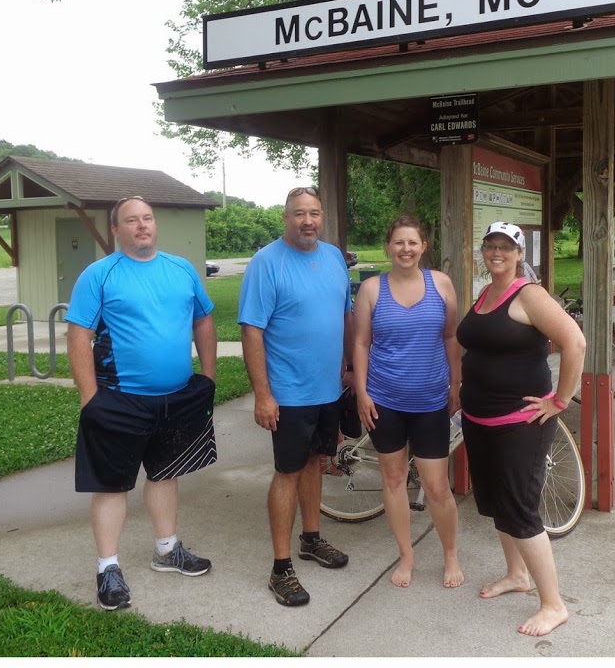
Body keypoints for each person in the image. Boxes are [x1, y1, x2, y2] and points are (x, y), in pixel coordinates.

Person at [67, 196, 218, 611]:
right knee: (112, 484)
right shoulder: (99, 274)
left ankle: (167, 551)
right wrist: (88, 396)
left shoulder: (181, 269)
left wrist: (208, 375)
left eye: (147, 218)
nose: (142, 226)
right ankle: (108, 568)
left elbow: (203, 318)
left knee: (166, 474)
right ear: (116, 230)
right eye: (131, 221)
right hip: (118, 399)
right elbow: (78, 334)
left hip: (176, 397)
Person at [458, 222, 584, 637]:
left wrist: (560, 400)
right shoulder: (486, 292)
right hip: (479, 418)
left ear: (519, 253)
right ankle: (516, 575)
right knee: (496, 503)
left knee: (520, 509)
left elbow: (575, 343)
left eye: (505, 247)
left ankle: (554, 605)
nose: (497, 253)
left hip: (519, 424)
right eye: (490, 246)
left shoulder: (529, 294)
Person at [239, 186, 354, 607]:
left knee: (315, 462)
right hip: (287, 392)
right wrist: (262, 394)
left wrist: (349, 368)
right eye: (299, 213)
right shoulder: (267, 263)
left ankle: (311, 539)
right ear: (285, 218)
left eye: (315, 213)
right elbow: (251, 330)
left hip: (327, 388)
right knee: (288, 470)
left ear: (322, 217)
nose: (308, 221)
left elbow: (344, 315)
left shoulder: (334, 258)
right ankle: (281, 567)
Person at [351, 214, 463, 589]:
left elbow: (451, 337)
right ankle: (406, 555)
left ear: (424, 247)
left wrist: (455, 383)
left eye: (412, 242)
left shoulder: (442, 285)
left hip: (431, 400)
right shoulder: (370, 289)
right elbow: (362, 343)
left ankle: (450, 555)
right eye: (398, 242)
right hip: (385, 401)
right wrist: (363, 392)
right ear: (388, 247)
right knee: (395, 479)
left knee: (436, 487)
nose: (405, 249)